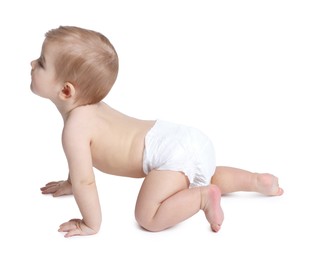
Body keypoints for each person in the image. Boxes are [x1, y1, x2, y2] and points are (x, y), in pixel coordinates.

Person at [30, 26, 284, 238]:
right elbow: (79, 169)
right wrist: (70, 183)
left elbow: (86, 180)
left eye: (41, 63)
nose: (32, 63)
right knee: (203, 173)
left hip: (167, 156)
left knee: (148, 217)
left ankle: (203, 199)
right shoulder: (95, 108)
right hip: (180, 138)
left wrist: (90, 223)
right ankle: (256, 181)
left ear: (66, 91)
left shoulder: (75, 128)